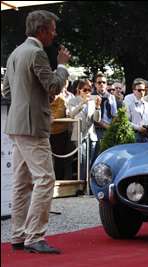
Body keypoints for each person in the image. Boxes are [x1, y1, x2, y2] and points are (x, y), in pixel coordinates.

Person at [3, 10, 70, 254]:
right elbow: (54, 84)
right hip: (33, 126)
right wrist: (61, 65)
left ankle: (19, 236)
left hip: (16, 125)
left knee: (21, 183)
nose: (54, 34)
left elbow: (8, 92)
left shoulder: (16, 53)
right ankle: (34, 236)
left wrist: (37, 96)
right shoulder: (36, 53)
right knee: (45, 179)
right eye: (52, 29)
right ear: (41, 30)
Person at [69, 79, 102, 180]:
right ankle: (81, 184)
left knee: (90, 161)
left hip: (91, 135)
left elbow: (97, 119)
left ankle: (88, 185)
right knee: (82, 161)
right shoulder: (73, 100)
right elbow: (72, 115)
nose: (88, 92)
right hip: (79, 134)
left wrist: (97, 107)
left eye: (90, 90)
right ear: (79, 90)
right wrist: (82, 104)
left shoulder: (92, 102)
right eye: (85, 90)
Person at [91, 72, 118, 162]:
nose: (102, 84)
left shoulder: (111, 97)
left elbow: (114, 114)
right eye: (99, 82)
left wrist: (111, 127)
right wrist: (105, 125)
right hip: (97, 128)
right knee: (98, 154)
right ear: (95, 84)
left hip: (109, 129)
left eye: (104, 82)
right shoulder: (92, 96)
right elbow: (92, 116)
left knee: (109, 153)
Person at [50, 79, 71, 180]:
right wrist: (48, 117)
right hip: (46, 132)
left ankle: (59, 181)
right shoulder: (42, 97)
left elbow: (59, 114)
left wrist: (48, 116)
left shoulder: (61, 99)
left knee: (59, 160)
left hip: (60, 133)